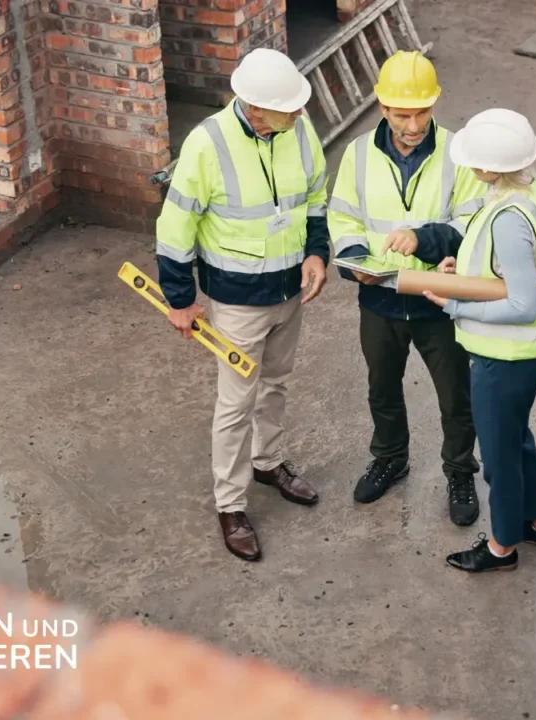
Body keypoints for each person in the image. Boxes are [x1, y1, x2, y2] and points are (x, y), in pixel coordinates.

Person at [154, 48, 330, 562]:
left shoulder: (297, 129)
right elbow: (174, 227)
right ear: (254, 109)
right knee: (236, 405)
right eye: (288, 110)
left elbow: (314, 196)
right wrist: (181, 300)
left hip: (290, 292)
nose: (299, 115)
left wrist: (317, 253)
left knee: (276, 383)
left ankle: (268, 462)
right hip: (237, 302)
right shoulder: (207, 145)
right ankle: (230, 505)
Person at [384, 108, 536, 573]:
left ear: (491, 166)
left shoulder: (508, 215)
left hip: (506, 355)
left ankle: (503, 545)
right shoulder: (530, 189)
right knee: (515, 437)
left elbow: (522, 303)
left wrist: (458, 305)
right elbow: (504, 263)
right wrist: (462, 266)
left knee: (499, 454)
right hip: (529, 352)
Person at [327, 50, 488, 526]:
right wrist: (353, 261)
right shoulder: (357, 154)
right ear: (382, 107)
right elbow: (342, 216)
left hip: (440, 299)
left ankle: (460, 471)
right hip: (379, 297)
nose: (414, 123)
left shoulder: (457, 153)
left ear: (434, 104)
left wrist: (424, 238)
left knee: (456, 395)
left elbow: (473, 219)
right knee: (382, 388)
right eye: (403, 113)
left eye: (422, 111)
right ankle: (391, 458)